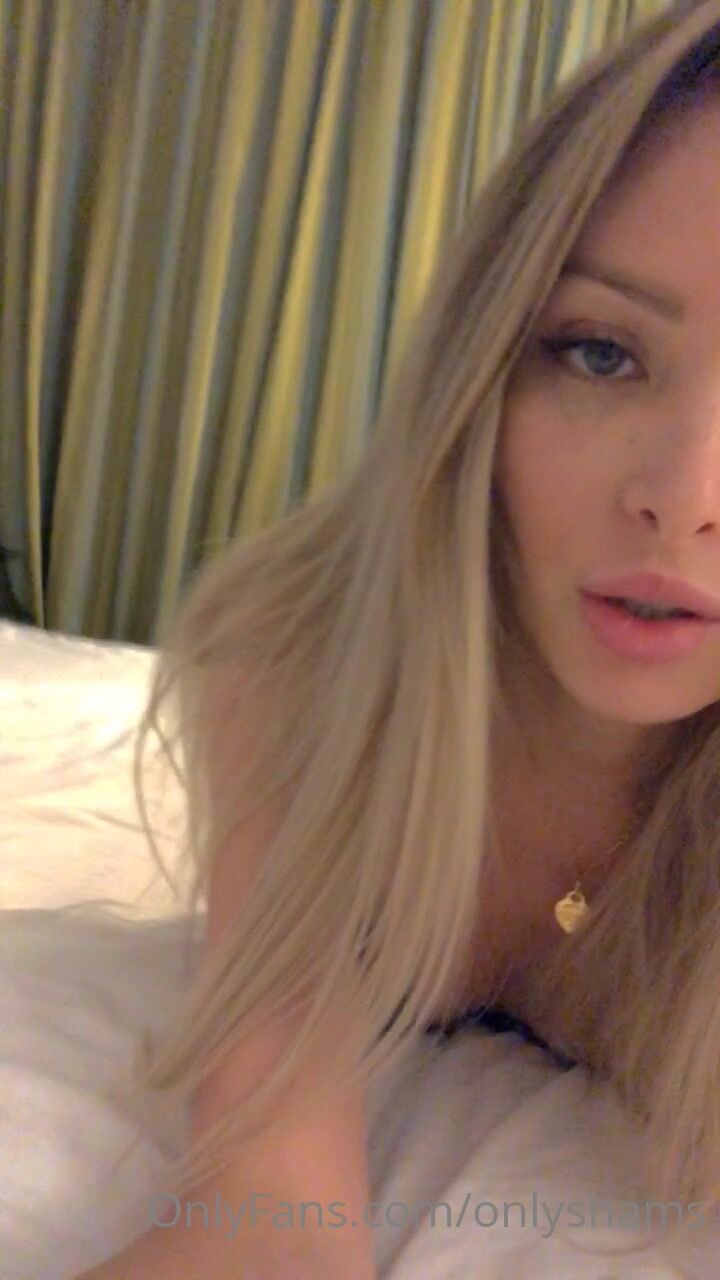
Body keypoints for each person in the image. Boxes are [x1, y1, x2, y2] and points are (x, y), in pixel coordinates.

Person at [73, 1, 720, 1275]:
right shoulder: (298, 660)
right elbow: (271, 1224)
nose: (686, 493)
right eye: (601, 353)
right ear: (485, 368)